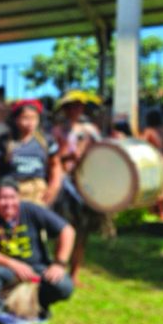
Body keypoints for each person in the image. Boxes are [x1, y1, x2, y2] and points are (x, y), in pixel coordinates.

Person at [0, 178, 76, 320]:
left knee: (64, 286)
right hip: (7, 270)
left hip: (38, 269)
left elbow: (67, 230)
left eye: (12, 197)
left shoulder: (31, 210)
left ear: (19, 197)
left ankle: (41, 304)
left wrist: (59, 263)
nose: (8, 203)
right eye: (2, 198)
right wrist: (13, 264)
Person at [51, 90, 104, 282]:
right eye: (71, 106)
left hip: (85, 182)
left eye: (78, 106)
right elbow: (53, 156)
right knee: (63, 227)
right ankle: (59, 266)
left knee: (82, 230)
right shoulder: (57, 130)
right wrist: (66, 156)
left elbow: (102, 153)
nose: (75, 109)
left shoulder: (90, 130)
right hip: (64, 182)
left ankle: (75, 272)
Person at [0, 99, 63, 206]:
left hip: (38, 192)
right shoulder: (4, 142)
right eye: (25, 118)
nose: (30, 122)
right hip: (11, 193)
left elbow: (55, 165)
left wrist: (54, 187)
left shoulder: (46, 141)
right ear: (15, 119)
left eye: (34, 118)